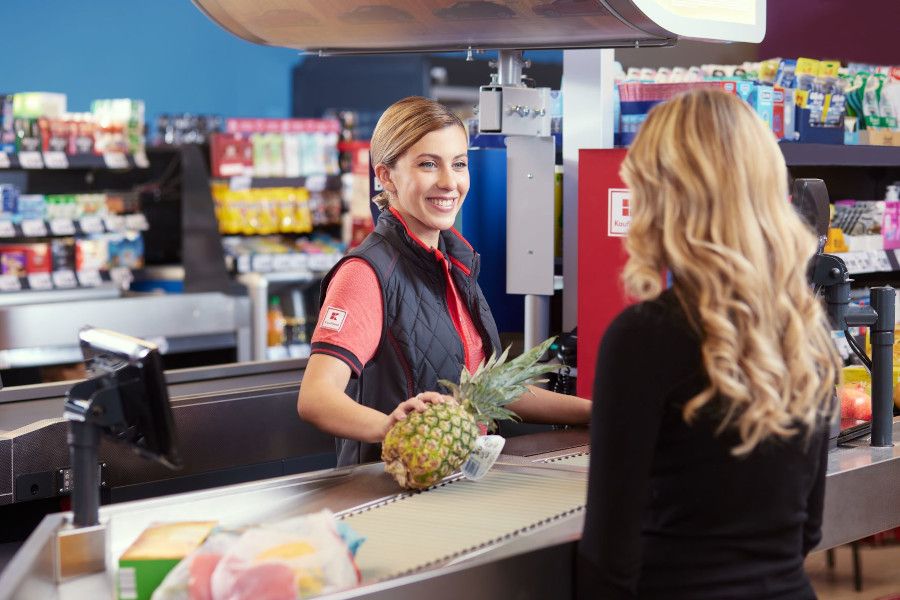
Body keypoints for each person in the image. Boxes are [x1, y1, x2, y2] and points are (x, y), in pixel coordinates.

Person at [577, 89, 841, 599]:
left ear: (663, 198)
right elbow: (808, 529)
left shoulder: (642, 337)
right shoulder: (802, 331)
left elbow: (611, 555)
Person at [298, 96, 591, 466]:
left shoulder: (455, 265)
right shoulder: (366, 273)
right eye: (427, 164)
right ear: (385, 174)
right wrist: (392, 426)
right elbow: (316, 397)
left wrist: (593, 412)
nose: (449, 182)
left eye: (459, 164)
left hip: (458, 478)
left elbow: (489, 389)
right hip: (389, 486)